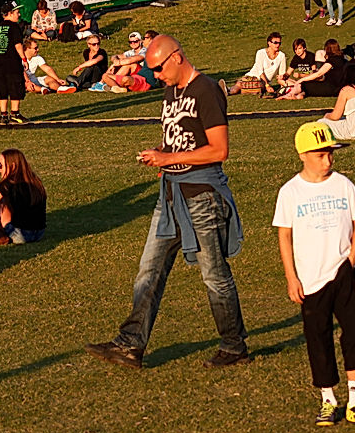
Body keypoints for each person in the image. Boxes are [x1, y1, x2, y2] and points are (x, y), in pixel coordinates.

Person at [87, 35, 250, 370]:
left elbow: (219, 150)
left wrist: (168, 160)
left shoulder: (205, 90)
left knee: (213, 274)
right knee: (150, 267)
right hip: (172, 195)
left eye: (158, 68)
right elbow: (175, 139)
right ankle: (131, 344)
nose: (156, 75)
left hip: (202, 196)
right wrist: (162, 157)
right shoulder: (170, 91)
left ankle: (234, 347)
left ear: (177, 57)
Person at [273, 121, 355, 428]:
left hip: (343, 273)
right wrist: (291, 277)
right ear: (303, 155)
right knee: (317, 337)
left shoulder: (343, 184)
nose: (328, 159)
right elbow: (285, 236)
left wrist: (351, 258)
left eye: (331, 153)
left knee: (354, 333)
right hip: (310, 279)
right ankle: (328, 400)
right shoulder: (290, 192)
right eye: (321, 154)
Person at [0, 149, 47, 245]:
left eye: (0, 165)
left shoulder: (6, 185)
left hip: (20, 235)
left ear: (13, 165)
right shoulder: (35, 181)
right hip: (39, 233)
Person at [0, 1, 29, 124]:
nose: (19, 15)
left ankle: (3, 115)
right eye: (17, 12)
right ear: (10, 13)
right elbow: (18, 45)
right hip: (12, 63)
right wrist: (24, 59)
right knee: (15, 88)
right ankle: (15, 113)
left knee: (1, 89)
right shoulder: (14, 27)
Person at [280, 39, 347, 100]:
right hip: (340, 88)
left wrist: (301, 79)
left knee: (303, 85)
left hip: (331, 88)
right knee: (307, 89)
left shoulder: (332, 60)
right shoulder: (343, 60)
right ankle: (298, 96)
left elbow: (318, 74)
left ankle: (289, 95)